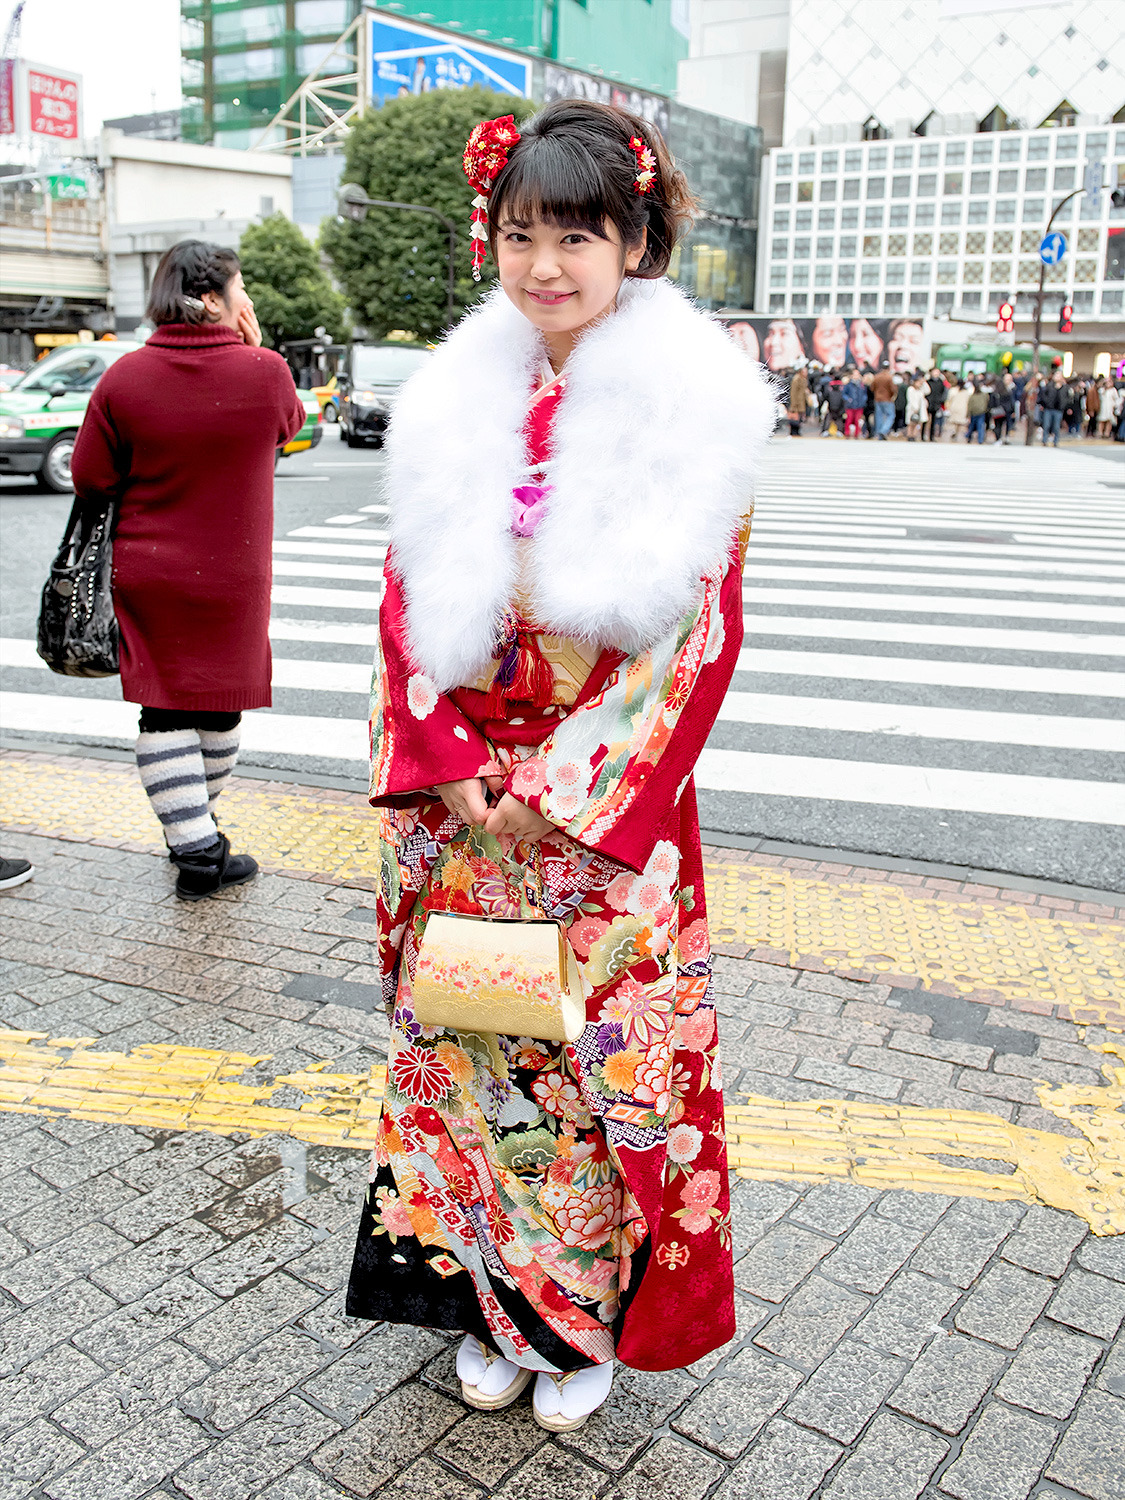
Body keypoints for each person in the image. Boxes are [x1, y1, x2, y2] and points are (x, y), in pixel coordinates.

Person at [344, 98, 773, 1432]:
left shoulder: (694, 408)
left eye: (576, 234)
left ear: (636, 240)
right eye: (519, 232)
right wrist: (443, 755)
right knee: (473, 1054)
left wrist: (565, 784)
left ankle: (578, 1322)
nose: (542, 263)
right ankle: (488, 1303)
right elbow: (407, 599)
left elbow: (694, 639)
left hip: (596, 818)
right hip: (464, 805)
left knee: (595, 1078)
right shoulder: (460, 398)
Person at [70, 241, 307, 900]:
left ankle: (191, 832)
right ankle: (198, 846)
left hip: (147, 571)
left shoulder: (124, 376)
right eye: (239, 289)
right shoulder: (264, 371)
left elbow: (89, 476)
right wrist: (255, 345)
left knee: (165, 705)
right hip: (234, 574)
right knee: (220, 701)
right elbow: (286, 428)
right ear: (210, 299)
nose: (244, 300)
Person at [1039, 370, 1066, 445]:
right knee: (1046, 425)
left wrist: (1064, 405)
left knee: (1056, 426)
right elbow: (1044, 395)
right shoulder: (1049, 386)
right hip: (1049, 408)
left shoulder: (1064, 387)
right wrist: (1046, 402)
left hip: (1058, 409)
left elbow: (1067, 397)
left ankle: (1056, 441)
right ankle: (1045, 440)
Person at [871, 363, 896, 438]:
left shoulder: (877, 377)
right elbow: (893, 389)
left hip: (877, 399)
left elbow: (872, 388)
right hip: (887, 399)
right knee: (891, 415)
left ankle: (879, 434)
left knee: (879, 416)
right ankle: (884, 430)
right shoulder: (889, 377)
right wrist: (892, 396)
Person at [840, 367, 866, 438]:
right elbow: (844, 394)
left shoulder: (861, 385)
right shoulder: (848, 385)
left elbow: (864, 394)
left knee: (857, 420)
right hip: (850, 405)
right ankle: (847, 433)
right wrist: (848, 399)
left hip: (859, 405)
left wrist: (863, 401)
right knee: (849, 419)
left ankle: (857, 433)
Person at [991, 373, 1016, 444]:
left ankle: (999, 439)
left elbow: (992, 402)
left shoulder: (996, 392)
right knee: (1006, 424)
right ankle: (1005, 438)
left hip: (998, 411)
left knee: (998, 425)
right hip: (1006, 410)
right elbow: (1011, 402)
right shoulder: (1007, 392)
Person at [925, 367, 947, 441]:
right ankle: (923, 435)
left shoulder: (940, 383)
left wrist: (940, 401)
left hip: (936, 404)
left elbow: (943, 392)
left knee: (934, 421)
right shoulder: (928, 382)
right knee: (925, 420)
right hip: (928, 403)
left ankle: (931, 436)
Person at [787, 363, 809, 435]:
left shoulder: (803, 380)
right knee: (795, 417)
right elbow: (793, 392)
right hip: (797, 402)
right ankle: (793, 431)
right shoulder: (796, 379)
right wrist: (793, 403)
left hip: (801, 401)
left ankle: (797, 430)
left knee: (799, 417)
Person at [822, 369, 845, 435]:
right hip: (840, 405)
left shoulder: (829, 386)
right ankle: (840, 431)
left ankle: (825, 430)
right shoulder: (842, 386)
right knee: (839, 419)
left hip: (831, 404)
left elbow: (825, 395)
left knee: (829, 418)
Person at [905, 375, 926, 441]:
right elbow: (910, 399)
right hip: (912, 409)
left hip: (920, 409)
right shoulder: (911, 389)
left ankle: (914, 435)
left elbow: (928, 390)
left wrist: (924, 382)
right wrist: (915, 408)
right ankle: (909, 435)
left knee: (917, 423)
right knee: (911, 423)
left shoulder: (921, 390)